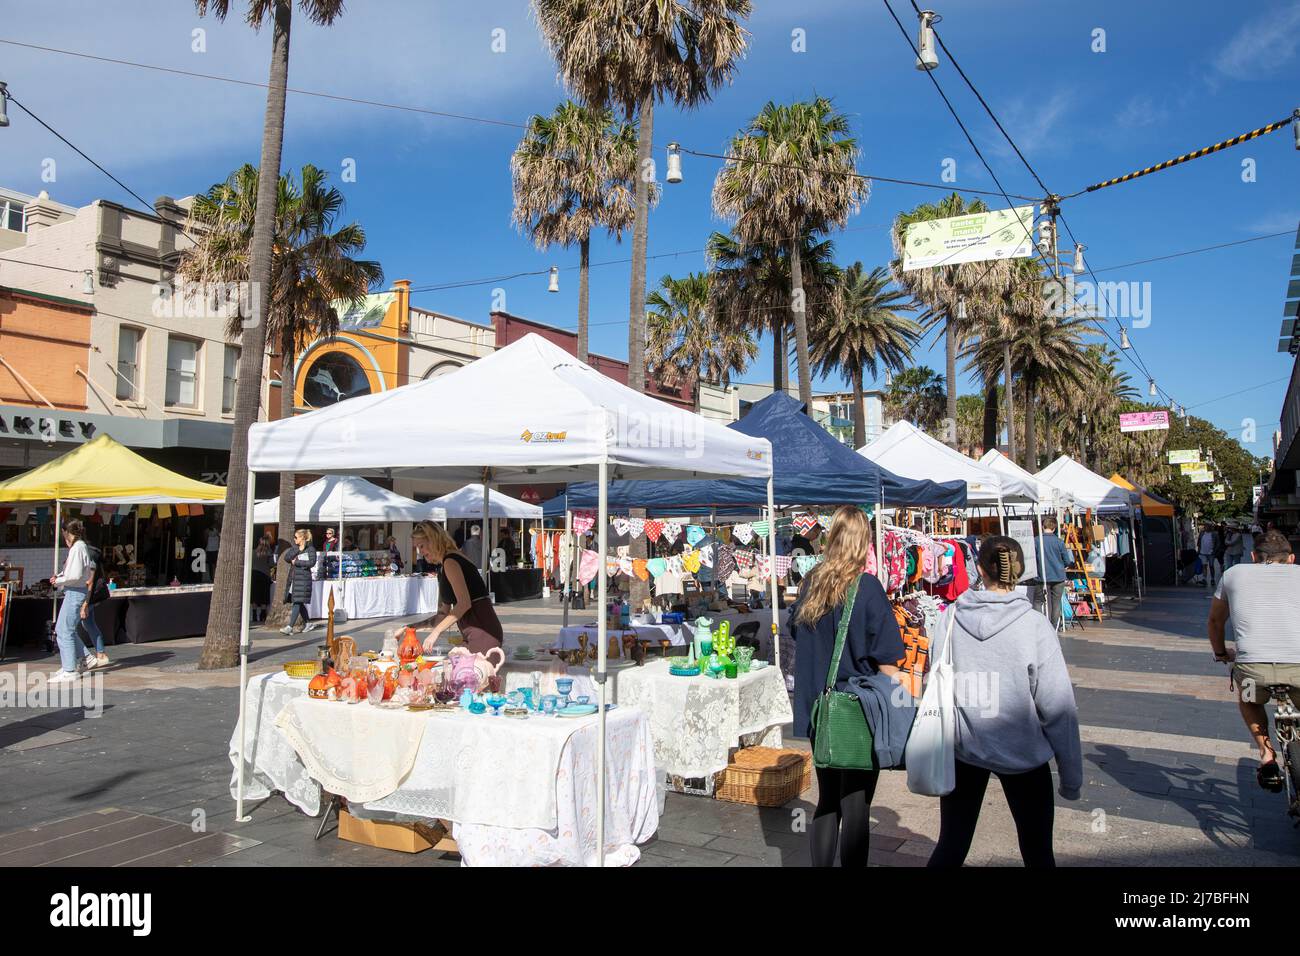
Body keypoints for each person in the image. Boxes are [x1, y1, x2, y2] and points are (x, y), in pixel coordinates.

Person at [928, 536, 1082, 868]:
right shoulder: (1035, 626)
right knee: (1038, 851)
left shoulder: (950, 617)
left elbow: (934, 677)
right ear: (1020, 569)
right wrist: (1071, 776)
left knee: (951, 845)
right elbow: (1058, 706)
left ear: (979, 569)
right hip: (1022, 751)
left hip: (964, 747)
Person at [788, 505, 904, 867]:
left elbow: (797, 635)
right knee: (855, 805)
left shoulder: (810, 583)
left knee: (826, 800)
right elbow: (888, 658)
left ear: (831, 537)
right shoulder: (867, 588)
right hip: (855, 711)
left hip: (818, 709)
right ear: (863, 542)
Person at [1207, 529, 1300, 792]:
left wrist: (1222, 653)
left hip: (1252, 671)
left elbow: (1215, 621)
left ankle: (1266, 753)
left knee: (1249, 699)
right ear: (1291, 559)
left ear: (1252, 556)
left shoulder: (1233, 574)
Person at [414, 520, 504, 655]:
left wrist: (436, 632)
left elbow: (463, 604)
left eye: (421, 546)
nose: (420, 552)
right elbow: (442, 615)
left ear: (433, 540)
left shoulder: (450, 561)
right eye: (417, 547)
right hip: (475, 631)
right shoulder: (445, 565)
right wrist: (409, 628)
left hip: (481, 632)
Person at [48, 520, 107, 682]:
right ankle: (83, 659)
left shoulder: (78, 548)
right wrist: (60, 577)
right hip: (75, 591)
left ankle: (69, 668)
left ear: (67, 532)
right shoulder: (80, 547)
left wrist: (59, 580)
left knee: (64, 630)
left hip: (75, 591)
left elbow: (74, 575)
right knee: (64, 629)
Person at [1030, 516, 1073, 629]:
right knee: (1056, 603)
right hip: (1058, 576)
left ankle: (1040, 626)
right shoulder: (1059, 542)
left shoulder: (1036, 540)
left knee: (1038, 601)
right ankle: (1053, 627)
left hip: (1041, 575)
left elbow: (1031, 558)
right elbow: (1067, 561)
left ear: (1043, 527)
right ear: (1054, 528)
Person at [279, 528, 319, 635]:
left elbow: (311, 562)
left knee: (297, 601)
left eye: (296, 537)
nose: (294, 539)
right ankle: (307, 623)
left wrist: (297, 562)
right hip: (294, 579)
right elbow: (287, 557)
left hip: (304, 579)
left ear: (302, 538)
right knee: (299, 602)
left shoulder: (310, 549)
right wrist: (298, 549)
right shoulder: (295, 548)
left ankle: (289, 627)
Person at [1198, 523, 1220, 591]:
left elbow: (1218, 543)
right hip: (1203, 552)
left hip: (1211, 553)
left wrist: (1214, 550)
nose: (1205, 528)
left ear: (1210, 527)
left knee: (1211, 566)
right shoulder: (1202, 533)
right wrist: (1198, 550)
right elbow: (1199, 541)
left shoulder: (1214, 534)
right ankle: (1204, 578)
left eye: (1207, 526)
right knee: (1204, 565)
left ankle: (1212, 579)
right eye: (1205, 526)